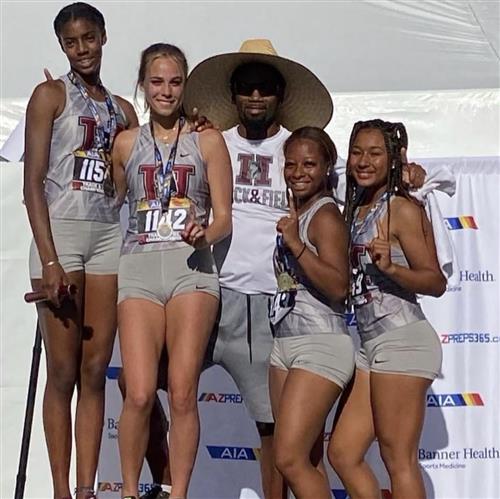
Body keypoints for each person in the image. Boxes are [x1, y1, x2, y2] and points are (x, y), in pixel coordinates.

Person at [23, 3, 138, 498]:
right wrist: (49, 259)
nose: (82, 49)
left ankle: (88, 488)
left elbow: (132, 177)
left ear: (104, 36)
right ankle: (61, 490)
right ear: (62, 47)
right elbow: (32, 184)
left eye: (89, 38)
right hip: (62, 232)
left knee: (96, 370)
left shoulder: (123, 109)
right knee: (63, 371)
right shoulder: (49, 96)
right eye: (71, 42)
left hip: (108, 233)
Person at [112, 43, 232, 499]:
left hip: (192, 270)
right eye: (156, 81)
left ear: (186, 86)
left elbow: (225, 217)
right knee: (139, 393)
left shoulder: (207, 139)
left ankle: (177, 493)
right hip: (139, 266)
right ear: (142, 86)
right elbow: (106, 202)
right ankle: (127, 491)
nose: (166, 91)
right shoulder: (125, 143)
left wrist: (207, 231)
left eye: (175, 82)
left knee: (182, 393)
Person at [327, 119, 446, 499]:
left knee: (398, 458)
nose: (364, 161)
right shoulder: (356, 206)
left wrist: (393, 268)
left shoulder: (401, 209)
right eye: (357, 152)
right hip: (370, 346)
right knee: (343, 453)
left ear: (393, 159)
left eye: (375, 153)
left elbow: (435, 281)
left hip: (404, 341)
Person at [268, 127, 354, 499]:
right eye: (290, 164)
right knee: (306, 459)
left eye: (309, 164)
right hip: (285, 342)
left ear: (327, 167)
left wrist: (297, 245)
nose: (298, 172)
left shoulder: (325, 216)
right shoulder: (297, 213)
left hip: (320, 344)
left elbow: (338, 286)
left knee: (288, 459)